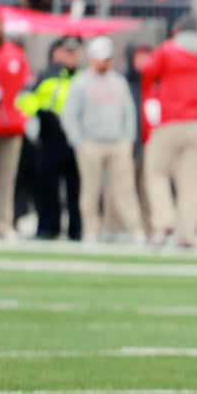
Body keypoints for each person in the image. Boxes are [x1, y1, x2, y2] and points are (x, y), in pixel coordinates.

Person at [141, 15, 197, 247]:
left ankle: (164, 220)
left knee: (156, 172)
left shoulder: (167, 51)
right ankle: (186, 234)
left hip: (170, 121)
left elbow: (148, 71)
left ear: (177, 30)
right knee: (191, 183)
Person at [60, 37, 144, 243]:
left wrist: (127, 140)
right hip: (91, 143)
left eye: (107, 59)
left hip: (117, 143)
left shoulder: (118, 81)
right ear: (91, 59)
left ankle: (135, 230)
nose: (104, 63)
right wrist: (78, 141)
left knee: (125, 189)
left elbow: (129, 113)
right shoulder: (80, 83)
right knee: (90, 190)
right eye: (101, 59)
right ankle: (91, 230)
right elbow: (69, 114)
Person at [16, 36, 82, 240]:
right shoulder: (44, 75)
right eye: (66, 51)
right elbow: (23, 98)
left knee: (76, 186)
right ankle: (47, 227)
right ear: (56, 53)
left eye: (74, 52)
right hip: (50, 135)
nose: (71, 56)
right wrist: (41, 113)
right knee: (47, 184)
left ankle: (76, 229)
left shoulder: (82, 77)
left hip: (76, 137)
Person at [0, 14, 29, 240]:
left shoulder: (16, 53)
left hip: (12, 125)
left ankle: (5, 223)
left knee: (8, 178)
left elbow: (24, 88)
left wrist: (24, 117)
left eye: (1, 24)